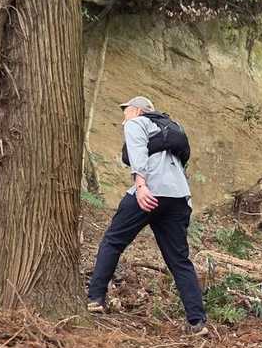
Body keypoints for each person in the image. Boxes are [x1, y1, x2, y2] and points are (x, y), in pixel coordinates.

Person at [87, 96, 209, 335]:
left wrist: (141, 186)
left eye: (126, 112)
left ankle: (95, 298)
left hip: (149, 192)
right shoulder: (172, 129)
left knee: (113, 241)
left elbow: (137, 153)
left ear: (136, 110)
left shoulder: (137, 123)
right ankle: (197, 321)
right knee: (179, 260)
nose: (124, 118)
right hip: (178, 197)